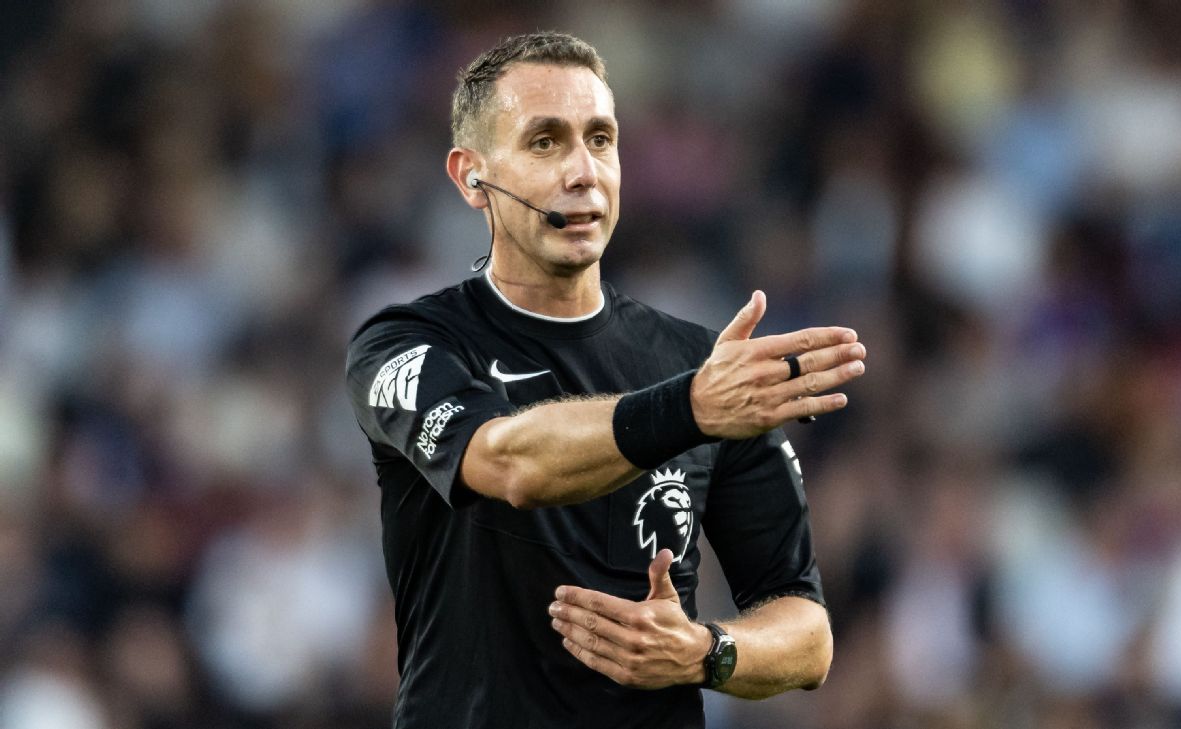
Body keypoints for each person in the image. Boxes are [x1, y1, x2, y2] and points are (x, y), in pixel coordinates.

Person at [345, 31, 868, 729]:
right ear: (471, 177)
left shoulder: (702, 364)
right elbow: (509, 462)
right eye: (545, 142)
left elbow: (807, 633)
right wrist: (690, 407)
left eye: (600, 139)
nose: (583, 171)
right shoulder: (406, 344)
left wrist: (706, 651)